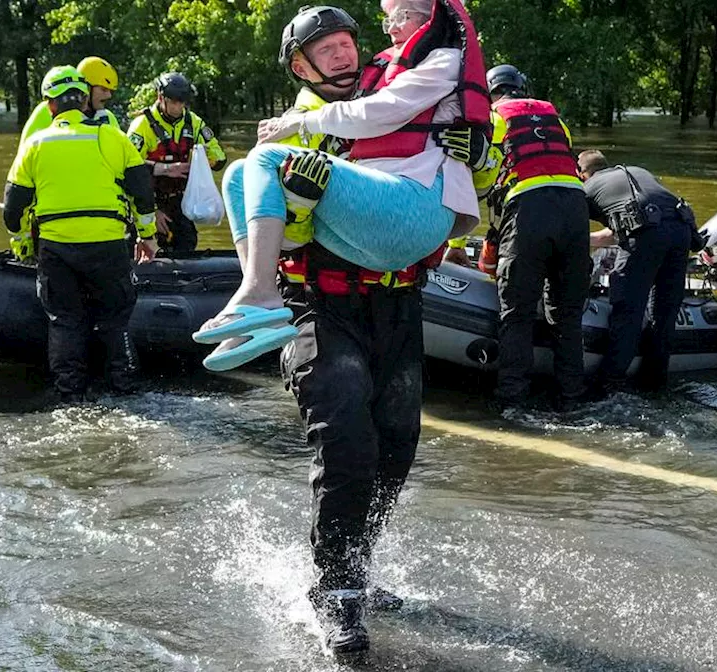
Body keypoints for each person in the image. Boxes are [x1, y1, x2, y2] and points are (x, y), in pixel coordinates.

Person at [205, 0, 488, 656]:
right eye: (321, 49)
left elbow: (461, 154)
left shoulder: (401, 90)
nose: (339, 53)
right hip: (321, 307)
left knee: (397, 448)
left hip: (400, 303)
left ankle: (358, 565)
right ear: (300, 65)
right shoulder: (291, 128)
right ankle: (335, 593)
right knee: (348, 449)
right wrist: (300, 209)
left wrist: (479, 143)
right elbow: (263, 204)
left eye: (344, 43)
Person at [1, 66, 159, 402]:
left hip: (57, 248)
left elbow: (13, 209)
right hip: (108, 245)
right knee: (116, 320)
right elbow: (143, 193)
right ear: (85, 99)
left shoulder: (35, 144)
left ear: (49, 104)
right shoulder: (112, 138)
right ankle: (125, 389)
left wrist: (23, 241)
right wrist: (147, 235)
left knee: (64, 321)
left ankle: (70, 395)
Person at [478, 64, 589, 412]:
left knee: (517, 313)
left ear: (491, 92)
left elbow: (480, 184)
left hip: (529, 211)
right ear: (523, 89)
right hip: (575, 208)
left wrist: (457, 246)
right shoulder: (556, 119)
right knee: (568, 316)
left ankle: (513, 403)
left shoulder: (492, 119)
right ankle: (571, 400)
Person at [579, 150, 697, 395]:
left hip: (646, 236)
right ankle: (655, 384)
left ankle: (610, 385)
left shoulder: (588, 189)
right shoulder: (635, 172)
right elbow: (631, 223)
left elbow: (568, 225)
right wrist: (588, 239)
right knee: (665, 312)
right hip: (681, 231)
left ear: (582, 174)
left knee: (628, 310)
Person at [126, 72, 228, 254]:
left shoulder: (193, 122)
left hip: (181, 203)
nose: (178, 107)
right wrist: (153, 211)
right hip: (150, 204)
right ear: (161, 98)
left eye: (182, 102)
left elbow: (220, 158)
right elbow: (129, 170)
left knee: (187, 243)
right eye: (174, 102)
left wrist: (204, 157)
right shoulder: (142, 126)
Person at [18, 56, 122, 149]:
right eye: (103, 90)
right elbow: (25, 154)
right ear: (87, 87)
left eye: (110, 91)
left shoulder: (109, 118)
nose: (109, 96)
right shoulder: (46, 111)